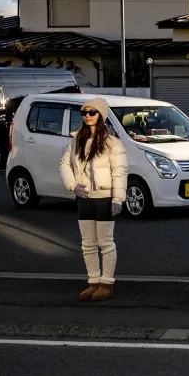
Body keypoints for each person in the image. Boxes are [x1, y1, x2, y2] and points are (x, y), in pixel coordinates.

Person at [59, 97, 129, 302]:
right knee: (88, 243)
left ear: (101, 115)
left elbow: (120, 171)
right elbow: (64, 165)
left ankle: (107, 283)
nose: (87, 116)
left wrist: (118, 198)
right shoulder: (76, 140)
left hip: (104, 198)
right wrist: (72, 185)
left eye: (92, 112)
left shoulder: (112, 143)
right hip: (84, 198)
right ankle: (93, 281)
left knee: (106, 242)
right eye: (84, 113)